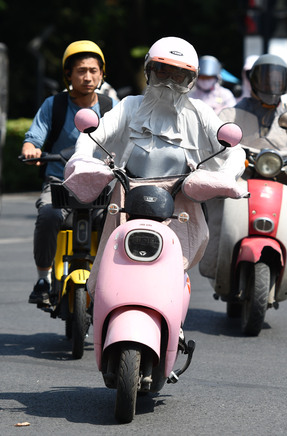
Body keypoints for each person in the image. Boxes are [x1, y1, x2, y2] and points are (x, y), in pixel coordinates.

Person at [62, 37, 246, 297]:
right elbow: (94, 133)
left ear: (191, 79)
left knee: (175, 268)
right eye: (162, 71)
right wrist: (83, 156)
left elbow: (235, 149)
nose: (169, 82)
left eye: (179, 75)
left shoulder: (199, 112)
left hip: (180, 199)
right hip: (127, 195)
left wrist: (225, 176)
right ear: (149, 71)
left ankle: (175, 316)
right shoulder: (130, 106)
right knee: (110, 260)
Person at [198, 53, 287, 279]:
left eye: (277, 80)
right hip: (240, 180)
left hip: (283, 179)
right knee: (213, 193)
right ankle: (215, 259)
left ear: (285, 82)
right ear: (254, 80)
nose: (271, 85)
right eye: (266, 79)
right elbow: (212, 146)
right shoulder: (231, 113)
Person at [21, 40, 116, 305]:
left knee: (118, 220)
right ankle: (43, 278)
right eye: (81, 70)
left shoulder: (111, 107)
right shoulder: (55, 105)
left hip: (101, 184)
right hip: (60, 183)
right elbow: (33, 138)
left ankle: (113, 279)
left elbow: (128, 139)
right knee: (48, 214)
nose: (88, 77)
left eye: (93, 70)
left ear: (102, 73)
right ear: (69, 75)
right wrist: (31, 149)